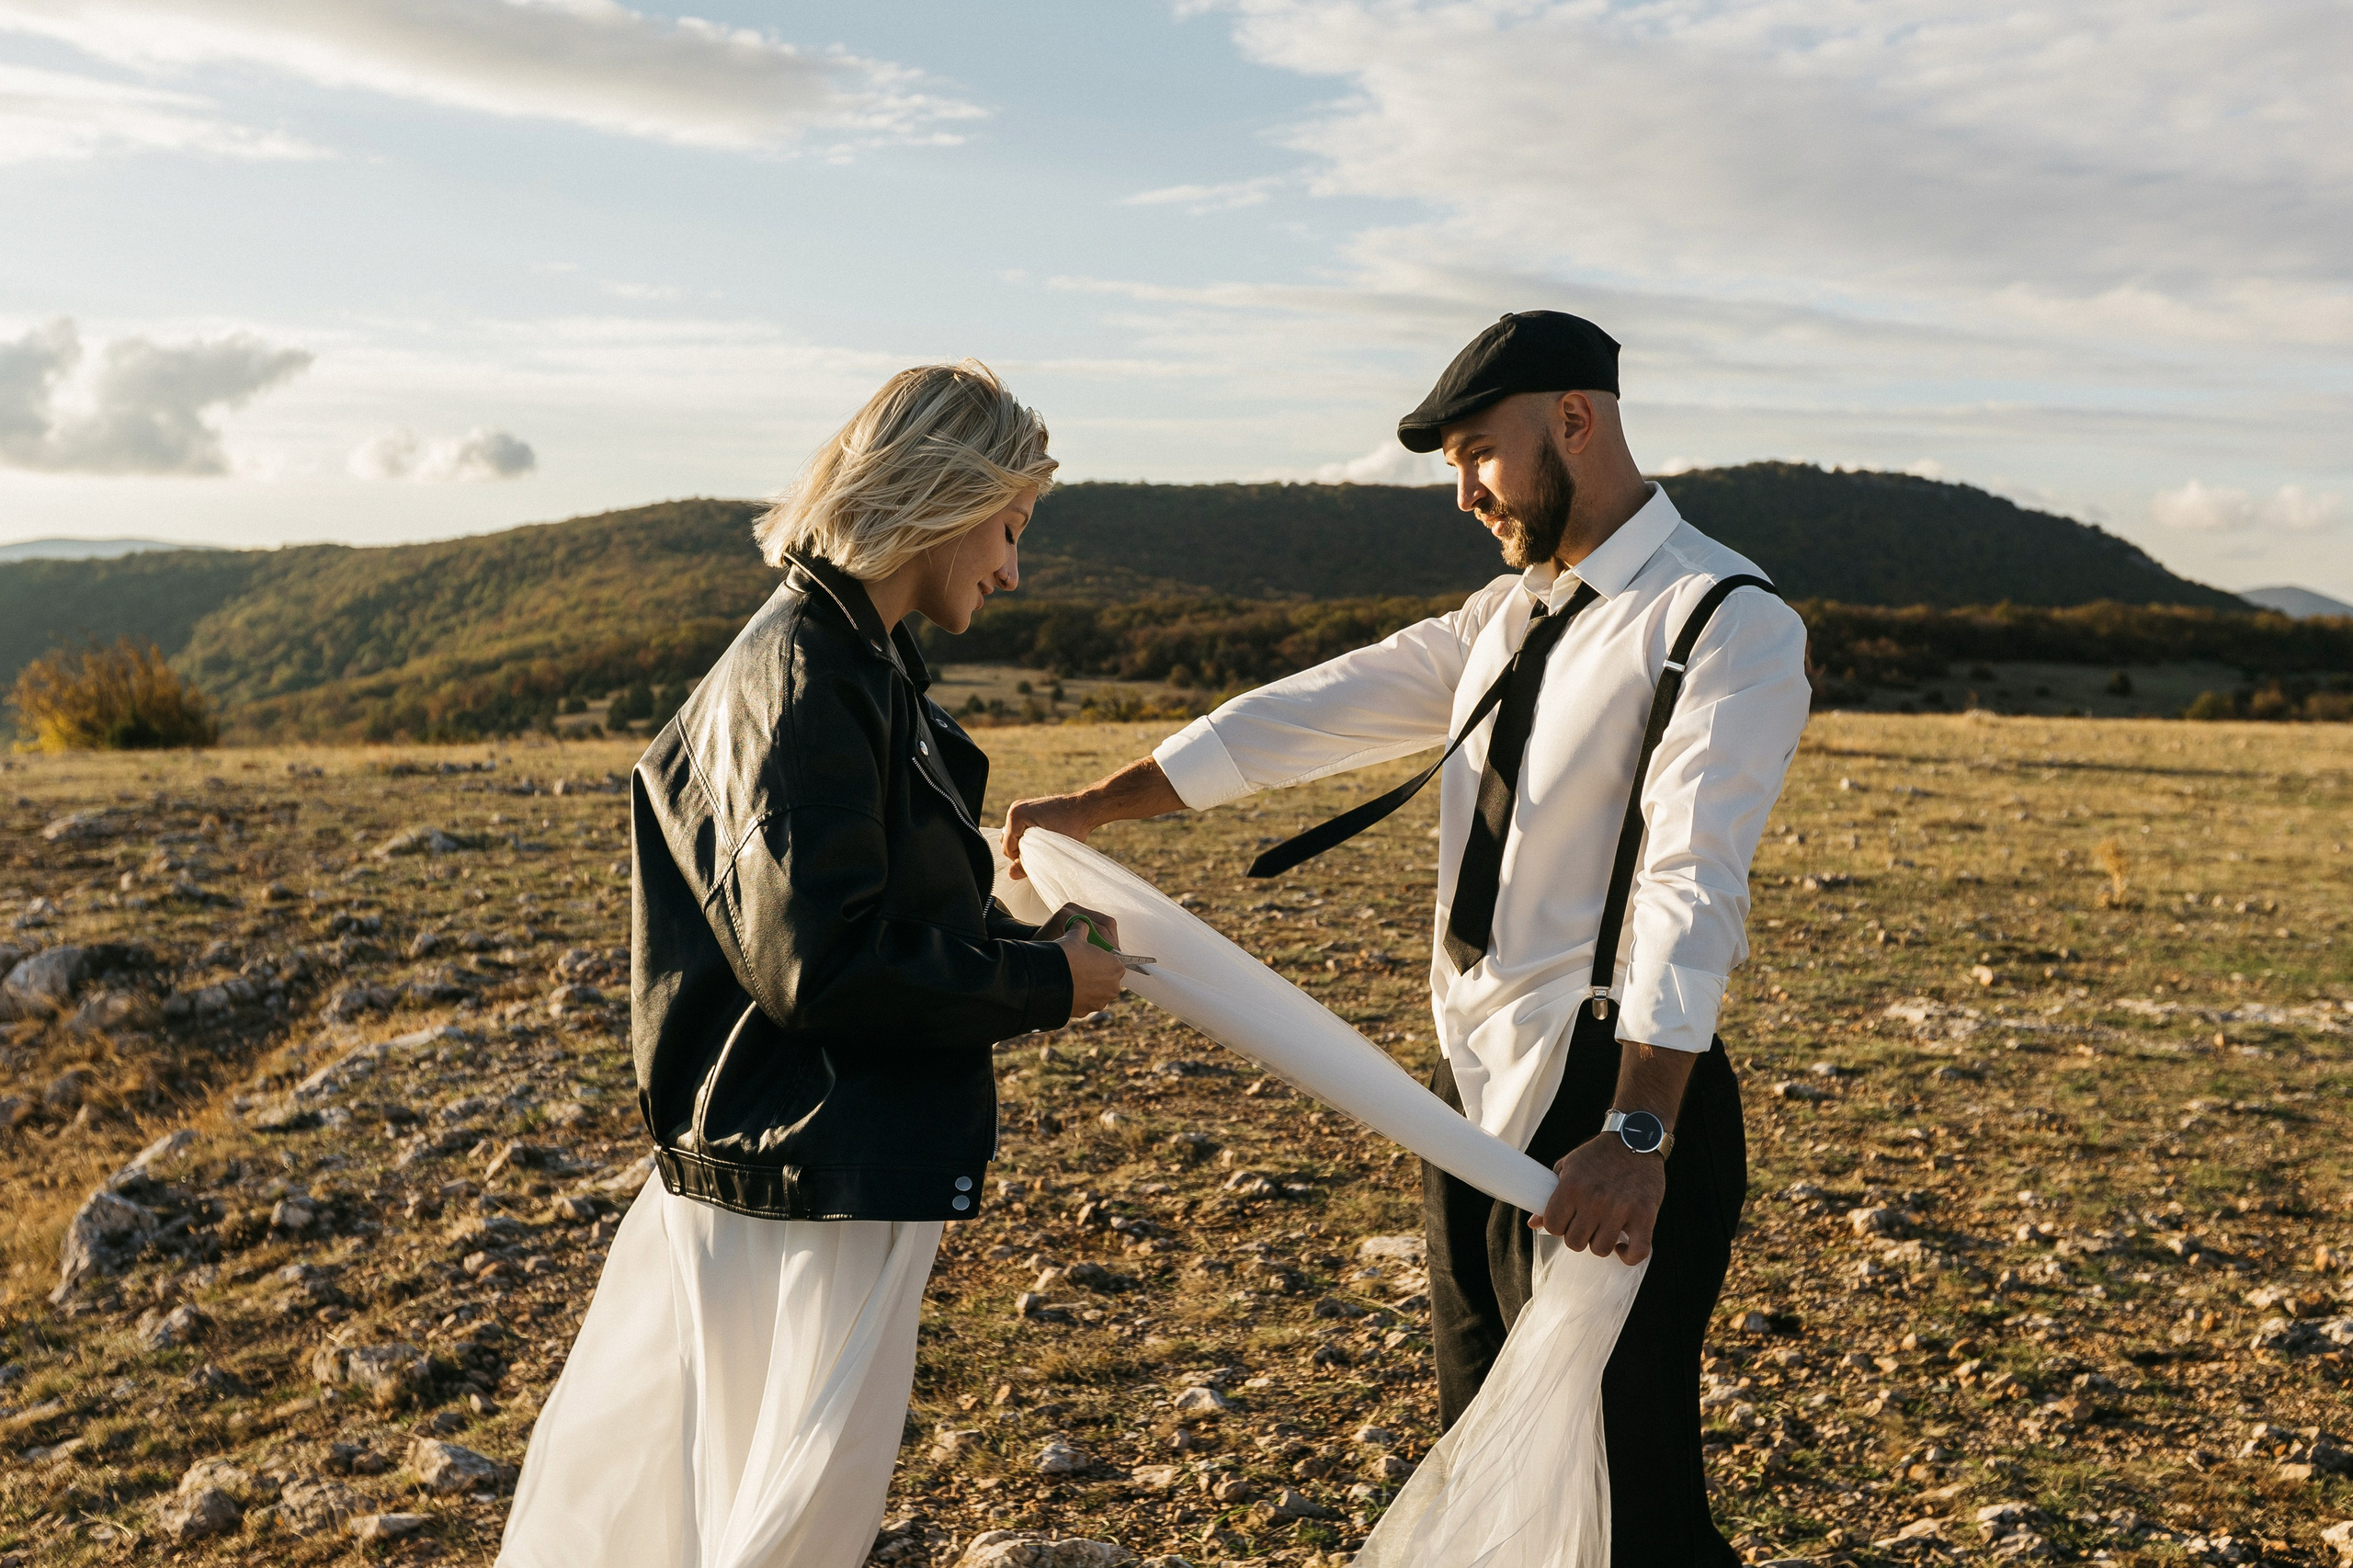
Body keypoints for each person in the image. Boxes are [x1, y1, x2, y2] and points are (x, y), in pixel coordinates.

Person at [1004, 312, 1811, 1564]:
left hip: (1608, 1104)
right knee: (1490, 1462)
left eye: (1478, 453)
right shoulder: (1503, 617)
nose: (1463, 492)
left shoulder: (1723, 621)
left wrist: (1642, 1129)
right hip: (1467, 1097)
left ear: (1575, 421)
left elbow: (1688, 883)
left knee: (1627, 1492)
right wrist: (1096, 804)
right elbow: (1303, 715)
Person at [499, 360, 1128, 1568]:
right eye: (1009, 526)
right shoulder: (805, 680)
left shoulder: (857, 665)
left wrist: (1031, 945)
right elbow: (824, 964)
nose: (1012, 567)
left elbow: (875, 904)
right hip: (803, 1177)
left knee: (732, 1505)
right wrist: (1045, 987)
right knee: (787, 1517)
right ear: (941, 501)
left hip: (811, 1160)